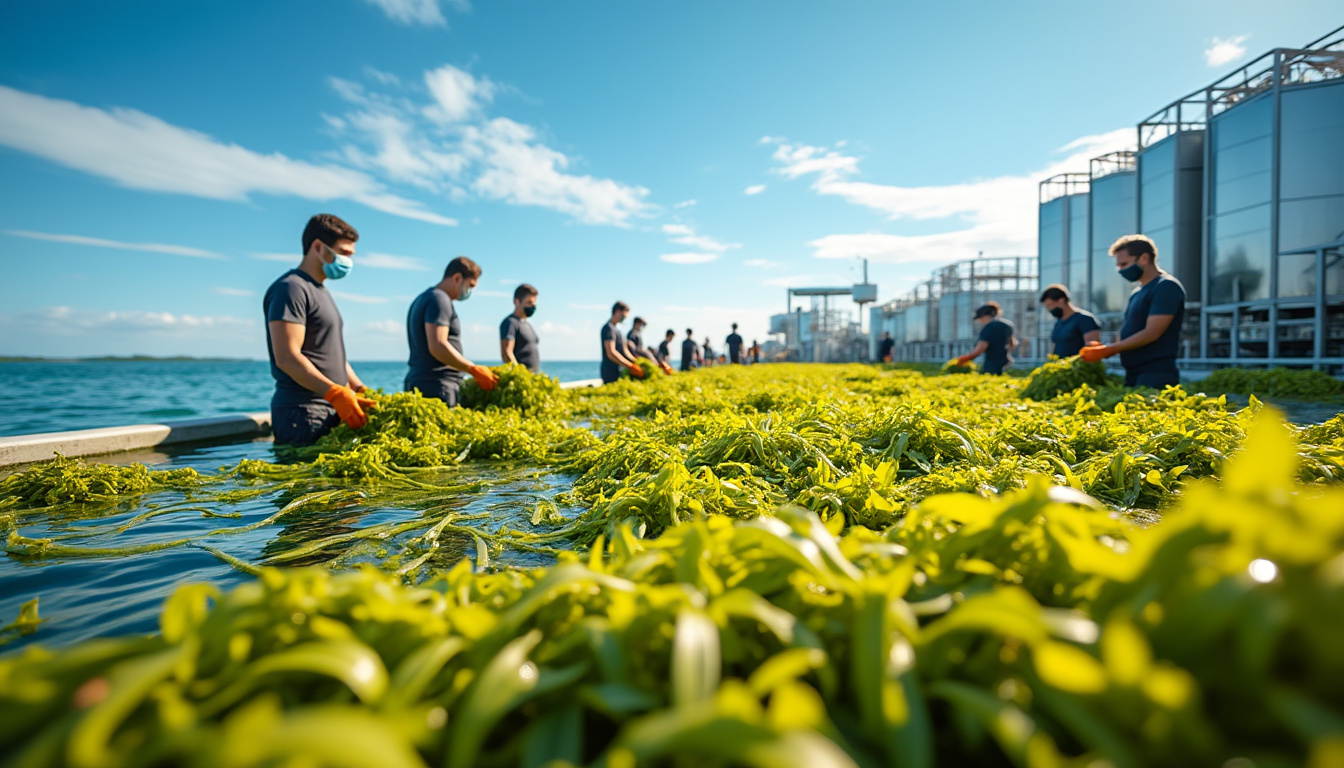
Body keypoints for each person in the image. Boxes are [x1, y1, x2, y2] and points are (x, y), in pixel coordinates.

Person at [263, 214, 374, 446]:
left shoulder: (321, 291)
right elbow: (287, 357)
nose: (349, 261)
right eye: (344, 253)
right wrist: (334, 393)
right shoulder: (291, 288)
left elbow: (330, 353)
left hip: (329, 410)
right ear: (317, 247)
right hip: (303, 413)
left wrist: (357, 387)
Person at [1081, 235, 1186, 388]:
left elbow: (1152, 333)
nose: (1120, 270)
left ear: (1144, 258)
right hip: (1133, 372)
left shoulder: (1166, 287)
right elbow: (1130, 329)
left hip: (1155, 373)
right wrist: (1103, 347)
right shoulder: (1137, 293)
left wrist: (1108, 350)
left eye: (1124, 264)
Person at [405, 256, 498, 405]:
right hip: (437, 386)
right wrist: (473, 369)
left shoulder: (424, 298)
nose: (469, 291)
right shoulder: (439, 300)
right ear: (457, 278)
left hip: (422, 381)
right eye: (470, 285)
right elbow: (438, 345)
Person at [952, 302, 1016, 374]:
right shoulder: (1007, 325)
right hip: (1005, 362)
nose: (981, 322)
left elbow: (980, 349)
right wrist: (1006, 354)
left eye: (980, 319)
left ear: (985, 316)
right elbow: (1012, 343)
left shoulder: (989, 327)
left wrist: (962, 359)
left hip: (992, 364)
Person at [1039, 284, 1101, 358]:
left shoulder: (1085, 319)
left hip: (1078, 368)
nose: (1049, 310)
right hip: (1061, 367)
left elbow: (1093, 350)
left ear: (1061, 300)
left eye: (1050, 305)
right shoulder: (1058, 323)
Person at [600, 302, 645, 384]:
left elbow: (625, 349)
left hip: (619, 370)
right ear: (617, 312)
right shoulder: (608, 329)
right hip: (610, 372)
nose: (624, 319)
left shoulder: (618, 330)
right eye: (623, 316)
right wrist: (629, 365)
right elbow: (611, 353)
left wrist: (635, 361)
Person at [500, 283, 540, 373]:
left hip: (533, 377)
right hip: (521, 379)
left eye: (534, 302)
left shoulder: (527, 324)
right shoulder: (510, 323)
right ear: (517, 301)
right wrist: (520, 374)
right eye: (529, 302)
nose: (533, 306)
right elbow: (506, 353)